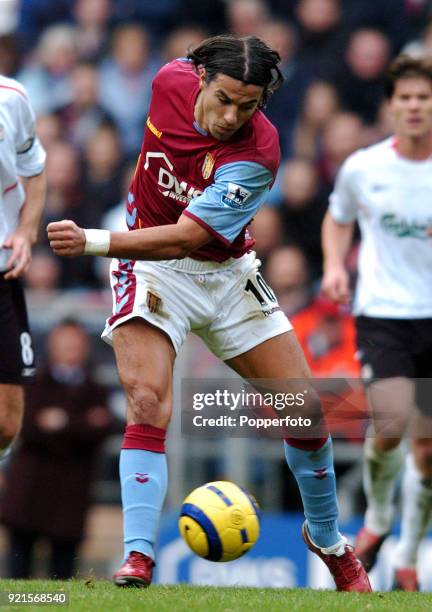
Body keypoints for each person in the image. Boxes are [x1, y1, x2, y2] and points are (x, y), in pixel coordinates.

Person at [47, 34, 371, 592]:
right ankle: (139, 556)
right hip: (148, 268)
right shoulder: (168, 78)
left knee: (309, 414)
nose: (232, 116)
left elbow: (187, 238)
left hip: (221, 272)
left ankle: (329, 540)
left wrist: (95, 241)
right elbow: (163, 249)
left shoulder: (258, 153)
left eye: (247, 106)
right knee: (147, 399)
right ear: (199, 78)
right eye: (224, 99)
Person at [322, 54, 432, 591]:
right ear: (391, 106)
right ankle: (379, 520)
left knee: (428, 449)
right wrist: (332, 267)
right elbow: (338, 218)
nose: (414, 107)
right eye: (405, 98)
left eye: (424, 98)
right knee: (389, 422)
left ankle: (407, 555)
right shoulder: (364, 167)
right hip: (384, 313)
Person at [1, 319, 115, 579]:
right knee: (17, 578)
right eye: (63, 343)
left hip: (70, 498)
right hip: (28, 494)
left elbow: (102, 429)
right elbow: (27, 428)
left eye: (74, 344)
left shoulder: (96, 389)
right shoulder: (32, 384)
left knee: (62, 579)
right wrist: (81, 424)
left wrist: (60, 422)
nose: (69, 350)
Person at [0, 73, 46, 459]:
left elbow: (35, 170)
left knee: (6, 422)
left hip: (3, 272)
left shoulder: (12, 98)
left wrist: (26, 231)